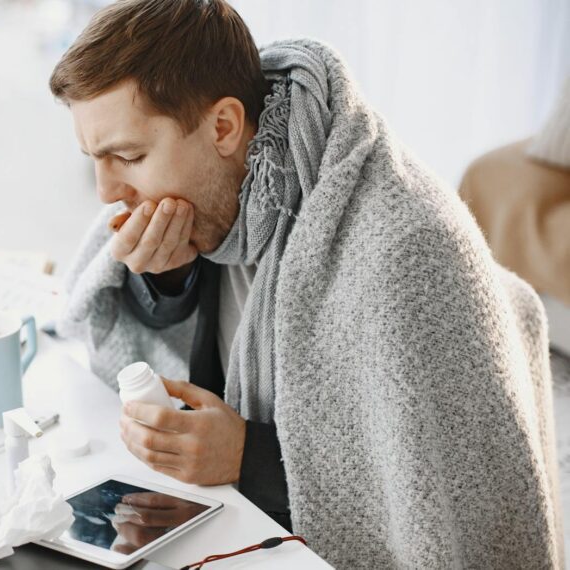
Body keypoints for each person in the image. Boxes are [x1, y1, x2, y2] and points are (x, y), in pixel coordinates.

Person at [48, 0, 563, 567]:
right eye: (93, 159)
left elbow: (431, 505)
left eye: (127, 156)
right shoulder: (210, 193)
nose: (105, 192)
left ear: (223, 126)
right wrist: (168, 273)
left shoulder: (400, 253)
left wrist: (249, 458)